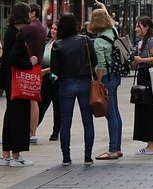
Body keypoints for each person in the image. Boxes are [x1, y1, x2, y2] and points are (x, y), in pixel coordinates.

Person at [51, 13, 97, 166]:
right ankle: (88, 156)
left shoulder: (58, 44)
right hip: (84, 81)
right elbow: (94, 60)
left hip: (66, 83)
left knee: (65, 122)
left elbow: (54, 70)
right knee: (87, 120)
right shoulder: (85, 40)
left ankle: (66, 157)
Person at [0, 2, 36, 167]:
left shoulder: (10, 32)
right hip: (17, 80)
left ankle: (6, 155)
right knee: (19, 116)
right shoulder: (19, 34)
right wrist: (30, 62)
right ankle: (16, 155)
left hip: (8, 80)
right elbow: (14, 58)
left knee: (10, 116)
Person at [90, 9, 123, 160]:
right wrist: (103, 7)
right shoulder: (113, 32)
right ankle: (117, 147)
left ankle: (113, 149)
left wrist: (98, 82)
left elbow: (101, 65)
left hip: (107, 79)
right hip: (116, 76)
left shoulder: (99, 41)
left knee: (110, 113)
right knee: (115, 111)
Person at [133, 16, 153, 155]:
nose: (136, 29)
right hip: (146, 78)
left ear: (146, 27)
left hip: (148, 78)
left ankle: (151, 145)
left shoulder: (151, 41)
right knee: (151, 111)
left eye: (139, 26)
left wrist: (141, 60)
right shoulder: (145, 41)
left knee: (149, 110)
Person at [26, 4, 48, 145]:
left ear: (33, 13)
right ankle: (32, 132)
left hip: (29, 66)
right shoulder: (42, 28)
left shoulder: (30, 28)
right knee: (33, 100)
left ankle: (30, 132)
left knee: (30, 101)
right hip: (37, 66)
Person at [38, 23, 61, 142]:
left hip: (56, 78)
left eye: (56, 29)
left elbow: (60, 63)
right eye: (52, 28)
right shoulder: (47, 43)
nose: (53, 31)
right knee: (41, 105)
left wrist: (46, 70)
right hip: (45, 79)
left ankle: (56, 131)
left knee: (57, 107)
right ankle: (33, 127)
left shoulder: (61, 43)